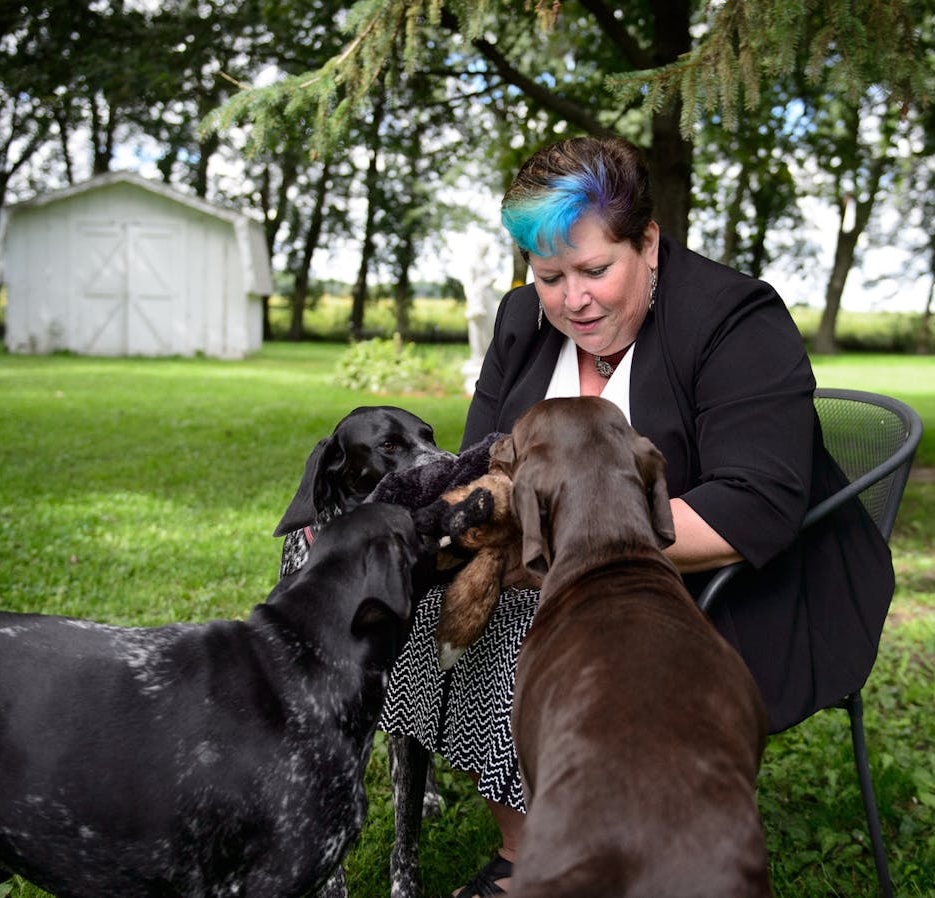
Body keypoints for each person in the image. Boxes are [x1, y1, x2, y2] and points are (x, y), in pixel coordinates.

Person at [375, 134, 895, 897]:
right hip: (582, 575)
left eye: (594, 270)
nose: (571, 301)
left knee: (526, 613)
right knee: (424, 591)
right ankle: (523, 844)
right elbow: (486, 462)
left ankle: (550, 858)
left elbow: (758, 503)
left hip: (748, 589)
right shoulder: (524, 319)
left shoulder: (734, 318)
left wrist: (573, 544)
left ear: (647, 243)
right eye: (549, 275)